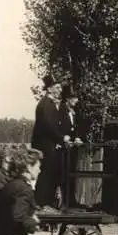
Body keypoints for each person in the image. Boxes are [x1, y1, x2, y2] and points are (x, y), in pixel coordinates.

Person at [31, 75, 67, 213]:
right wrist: (60, 138)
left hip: (51, 143)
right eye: (57, 87)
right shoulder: (45, 104)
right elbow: (48, 125)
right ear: (50, 89)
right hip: (46, 144)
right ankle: (42, 202)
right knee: (47, 172)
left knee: (51, 172)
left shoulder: (50, 103)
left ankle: (46, 202)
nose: (60, 90)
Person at [58, 84, 84, 209]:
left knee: (72, 173)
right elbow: (58, 129)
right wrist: (64, 138)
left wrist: (77, 137)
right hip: (63, 149)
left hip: (72, 149)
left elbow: (75, 128)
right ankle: (65, 202)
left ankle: (72, 200)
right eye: (74, 98)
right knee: (64, 175)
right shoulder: (60, 111)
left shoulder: (73, 112)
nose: (76, 100)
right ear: (68, 99)